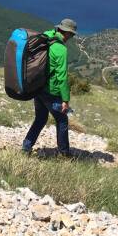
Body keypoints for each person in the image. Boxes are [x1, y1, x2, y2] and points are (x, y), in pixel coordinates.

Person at [22, 18, 77, 157]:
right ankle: (64, 154)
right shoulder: (61, 49)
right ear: (67, 33)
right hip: (51, 92)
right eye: (71, 34)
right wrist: (65, 99)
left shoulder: (47, 36)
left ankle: (26, 147)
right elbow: (62, 77)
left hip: (38, 87)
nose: (71, 37)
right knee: (62, 120)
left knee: (40, 119)